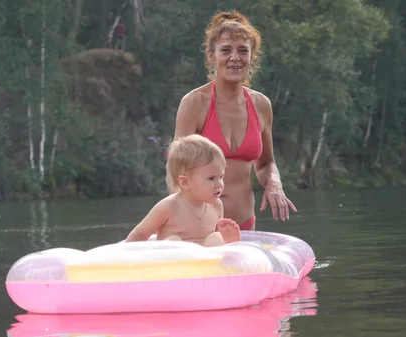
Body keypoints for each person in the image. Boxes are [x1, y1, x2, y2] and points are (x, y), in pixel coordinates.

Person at [168, 10, 297, 230]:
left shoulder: (261, 105)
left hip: (245, 225)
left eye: (243, 51)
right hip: (201, 227)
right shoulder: (194, 103)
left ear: (251, 57)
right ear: (211, 56)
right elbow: (175, 173)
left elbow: (266, 164)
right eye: (226, 50)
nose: (235, 58)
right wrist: (191, 220)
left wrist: (274, 183)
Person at [126, 134, 241, 246]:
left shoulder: (216, 206)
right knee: (173, 241)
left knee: (216, 237)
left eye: (221, 177)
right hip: (176, 262)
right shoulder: (169, 207)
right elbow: (140, 233)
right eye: (211, 178)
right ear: (185, 182)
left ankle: (230, 243)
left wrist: (223, 238)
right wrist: (127, 258)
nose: (219, 184)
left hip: (206, 262)